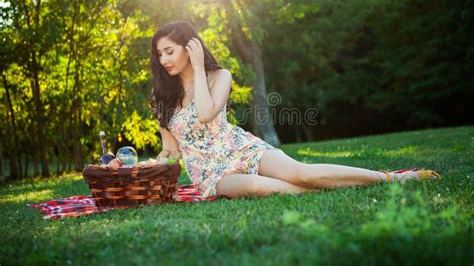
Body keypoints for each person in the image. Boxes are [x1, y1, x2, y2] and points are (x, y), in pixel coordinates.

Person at [149, 20, 441, 199]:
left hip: (241, 148)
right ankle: (343, 186)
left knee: (301, 173)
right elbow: (171, 149)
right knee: (262, 188)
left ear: (191, 48)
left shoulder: (219, 76)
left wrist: (199, 68)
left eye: (169, 51)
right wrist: (153, 166)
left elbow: (206, 113)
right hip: (211, 173)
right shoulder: (160, 95)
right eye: (159, 53)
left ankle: (393, 178)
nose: (163, 60)